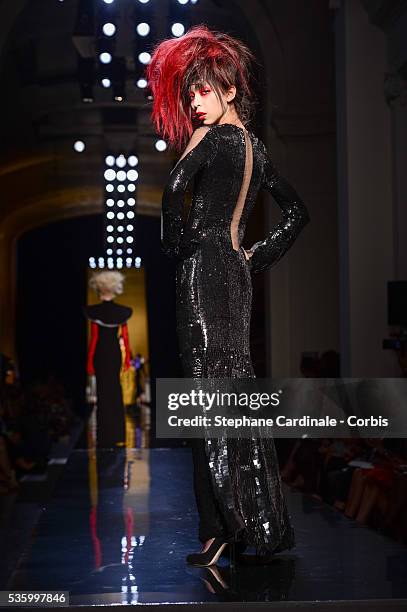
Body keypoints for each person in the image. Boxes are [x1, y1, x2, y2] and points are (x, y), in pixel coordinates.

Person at [146, 24, 310, 566]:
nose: (194, 102)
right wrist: (252, 257)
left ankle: (219, 530)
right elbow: (298, 214)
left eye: (203, 90)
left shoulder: (211, 140)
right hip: (235, 278)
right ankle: (254, 522)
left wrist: (178, 244)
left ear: (231, 89)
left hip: (201, 273)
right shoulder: (256, 151)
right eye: (189, 92)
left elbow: (173, 191)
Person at [84, 271, 132, 448]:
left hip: (101, 354)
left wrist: (89, 362)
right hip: (114, 353)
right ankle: (118, 433)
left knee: (103, 392)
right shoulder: (122, 312)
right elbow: (125, 339)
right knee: (115, 389)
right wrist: (127, 358)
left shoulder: (95, 313)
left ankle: (106, 435)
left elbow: (94, 339)